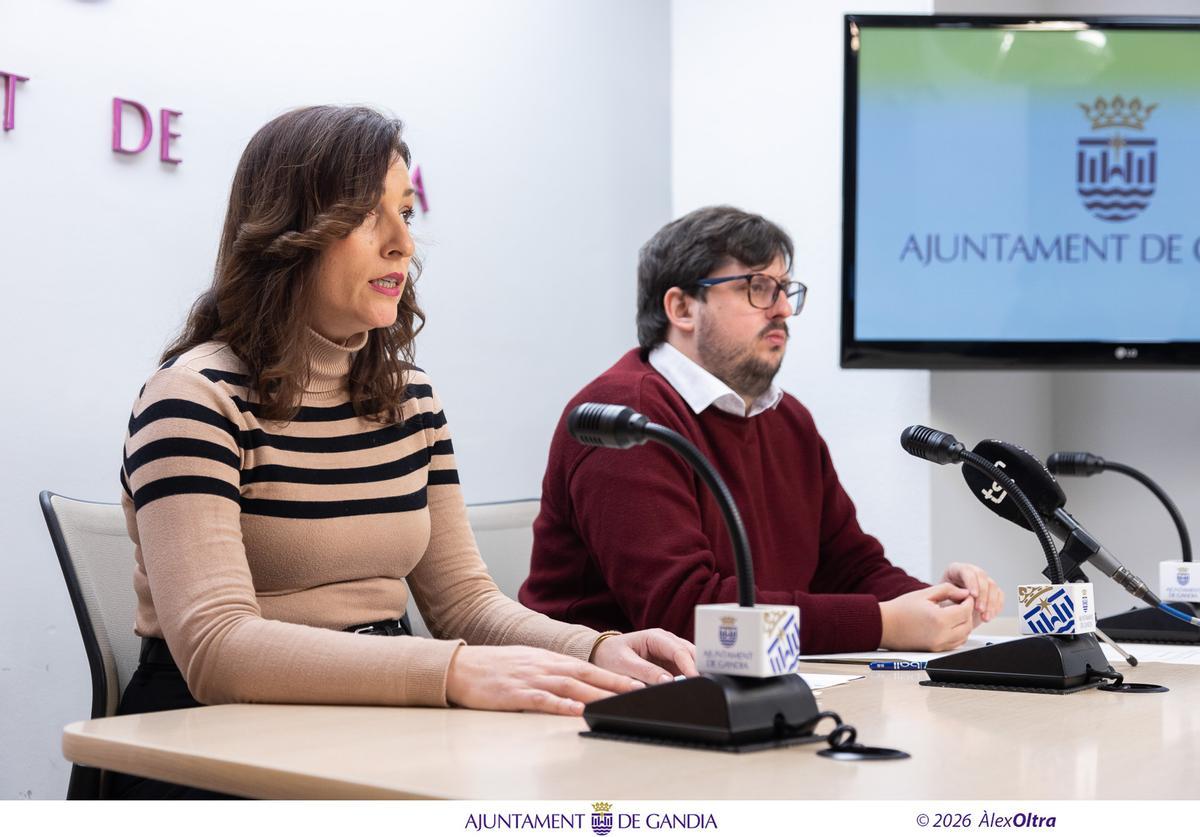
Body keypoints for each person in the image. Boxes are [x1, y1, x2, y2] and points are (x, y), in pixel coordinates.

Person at [115, 106, 695, 798]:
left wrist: (599, 649)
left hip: (375, 719)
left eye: (407, 213)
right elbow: (218, 646)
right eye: (368, 216)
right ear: (288, 231)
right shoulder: (194, 396)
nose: (402, 245)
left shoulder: (408, 397)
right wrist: (450, 671)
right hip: (209, 741)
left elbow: (465, 604)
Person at [519, 205, 1003, 655]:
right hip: (600, 696)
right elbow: (685, 615)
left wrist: (934, 602)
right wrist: (882, 624)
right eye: (757, 287)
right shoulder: (628, 417)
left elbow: (849, 567)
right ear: (682, 308)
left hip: (739, 686)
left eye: (785, 289)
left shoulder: (788, 419)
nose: (783, 309)